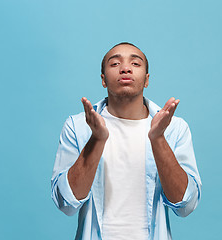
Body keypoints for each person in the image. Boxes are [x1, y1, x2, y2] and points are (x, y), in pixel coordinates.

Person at [51, 42, 202, 240]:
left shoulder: (173, 128)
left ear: (146, 80)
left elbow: (185, 205)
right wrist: (96, 139)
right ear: (103, 80)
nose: (125, 68)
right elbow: (66, 203)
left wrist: (158, 139)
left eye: (135, 63)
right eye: (115, 64)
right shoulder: (78, 126)